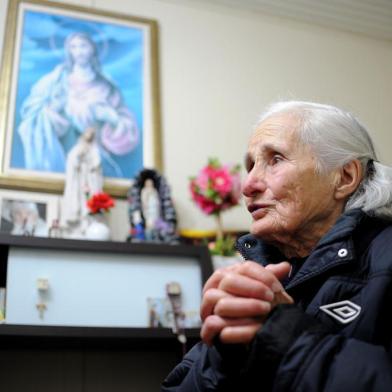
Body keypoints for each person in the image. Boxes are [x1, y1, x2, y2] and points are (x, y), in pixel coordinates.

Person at [161, 101, 392, 391]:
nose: (248, 185)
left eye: (275, 159)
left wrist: (280, 334)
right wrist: (227, 354)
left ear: (345, 177)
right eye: (250, 165)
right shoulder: (260, 271)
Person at [18, 32, 138, 178]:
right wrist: (53, 112)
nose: (79, 51)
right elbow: (33, 110)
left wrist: (111, 117)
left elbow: (124, 120)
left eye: (83, 46)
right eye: (73, 47)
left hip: (95, 158)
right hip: (63, 154)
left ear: (92, 49)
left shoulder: (106, 86)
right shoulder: (57, 80)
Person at [60, 126, 103, 238]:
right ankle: (78, 225)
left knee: (89, 202)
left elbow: (97, 164)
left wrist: (93, 167)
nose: (90, 135)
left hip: (90, 180)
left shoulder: (94, 149)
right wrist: (78, 159)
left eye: (92, 134)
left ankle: (87, 224)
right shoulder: (78, 148)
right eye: (88, 132)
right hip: (78, 180)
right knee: (78, 200)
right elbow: (72, 159)